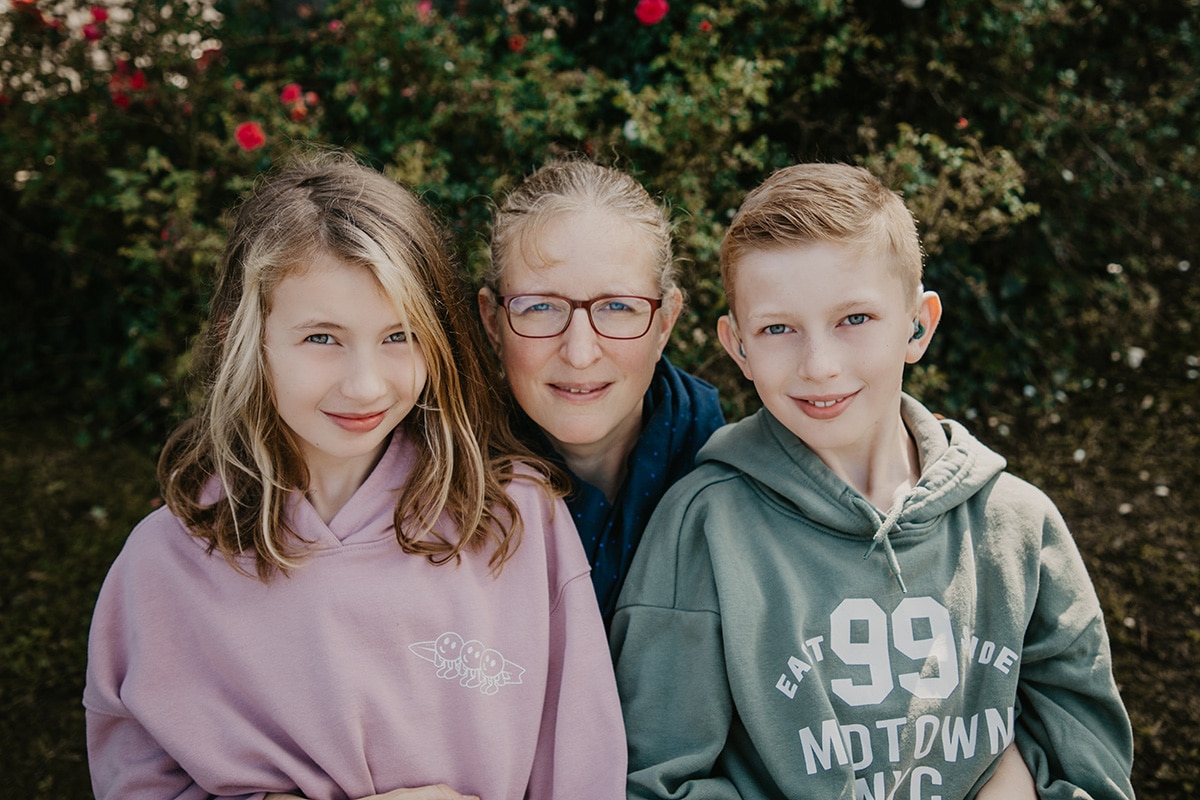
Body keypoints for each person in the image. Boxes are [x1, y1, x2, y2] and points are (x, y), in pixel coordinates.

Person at [84, 155, 626, 800]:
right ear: (246, 337)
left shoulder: (515, 519)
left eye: (399, 336)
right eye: (321, 338)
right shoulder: (162, 564)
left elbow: (584, 768)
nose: (364, 384)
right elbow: (134, 780)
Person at [610, 162, 1135, 798]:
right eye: (778, 329)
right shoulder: (701, 528)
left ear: (919, 324)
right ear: (737, 345)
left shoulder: (1018, 525)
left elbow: (1092, 764)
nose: (820, 365)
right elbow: (657, 782)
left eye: (854, 319)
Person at [478, 158, 725, 623]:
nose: (580, 352)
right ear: (494, 321)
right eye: (539, 307)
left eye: (616, 306)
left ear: (665, 321)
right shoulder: (433, 496)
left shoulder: (731, 476)